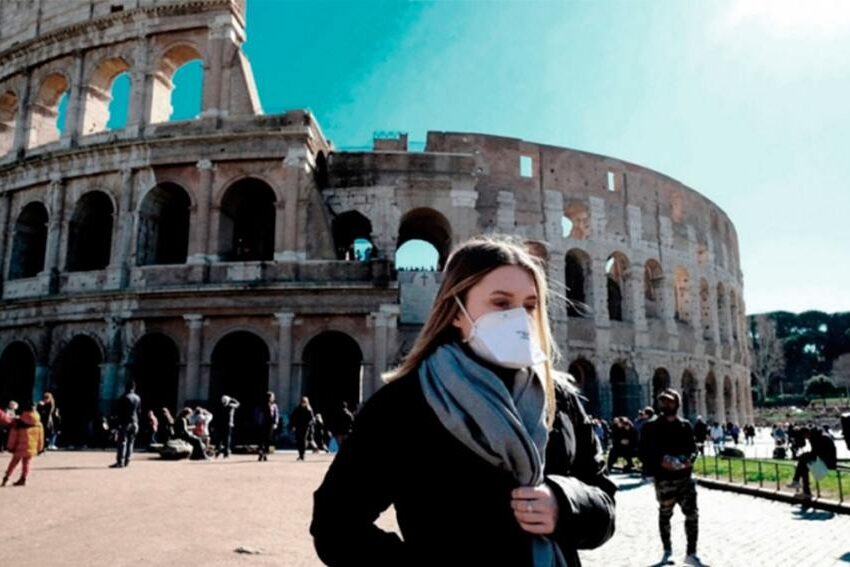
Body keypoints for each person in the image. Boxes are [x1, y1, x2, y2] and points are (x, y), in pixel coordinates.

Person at [310, 236, 616, 566]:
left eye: (529, 305)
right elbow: (335, 524)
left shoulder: (560, 399)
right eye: (501, 303)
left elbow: (603, 501)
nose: (519, 318)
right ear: (457, 312)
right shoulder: (402, 405)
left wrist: (564, 502)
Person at [639, 389, 703, 566]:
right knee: (665, 514)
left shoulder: (685, 425)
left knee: (692, 514)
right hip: (664, 479)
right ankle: (667, 551)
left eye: (670, 402)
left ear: (677, 404)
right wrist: (660, 461)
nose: (667, 405)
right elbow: (643, 451)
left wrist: (689, 460)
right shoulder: (651, 427)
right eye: (664, 402)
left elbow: (693, 448)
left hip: (685, 478)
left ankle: (691, 553)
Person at [786, 426, 837, 500]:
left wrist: (806, 455)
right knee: (804, 465)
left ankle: (798, 483)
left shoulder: (816, 437)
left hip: (828, 461)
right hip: (826, 458)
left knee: (803, 459)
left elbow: (816, 452)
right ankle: (805, 491)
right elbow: (817, 452)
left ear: (805, 434)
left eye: (805, 437)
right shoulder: (817, 434)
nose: (806, 439)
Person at [3, 404, 44, 487]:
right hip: (31, 447)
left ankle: (6, 478)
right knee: (27, 463)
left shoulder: (19, 423)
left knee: (13, 463)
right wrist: (40, 448)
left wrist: (10, 447)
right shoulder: (38, 424)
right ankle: (23, 479)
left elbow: (13, 436)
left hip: (19, 447)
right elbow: (41, 438)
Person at [110, 382, 141, 468]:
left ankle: (120, 461)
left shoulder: (124, 397)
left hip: (125, 422)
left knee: (122, 442)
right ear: (134, 388)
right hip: (135, 422)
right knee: (131, 442)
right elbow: (139, 411)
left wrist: (117, 423)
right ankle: (127, 461)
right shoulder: (138, 398)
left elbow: (120, 412)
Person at [256, 392, 279, 462]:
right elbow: (257, 413)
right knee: (261, 439)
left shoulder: (274, 405)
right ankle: (261, 453)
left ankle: (264, 453)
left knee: (268, 439)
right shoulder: (261, 405)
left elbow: (276, 415)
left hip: (270, 424)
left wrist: (276, 423)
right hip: (263, 423)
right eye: (272, 397)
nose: (273, 398)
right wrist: (258, 421)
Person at [290, 397, 315, 461]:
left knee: (303, 440)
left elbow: (312, 419)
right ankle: (300, 454)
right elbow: (293, 417)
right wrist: (293, 426)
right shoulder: (297, 409)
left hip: (306, 427)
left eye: (304, 402)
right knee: (298, 440)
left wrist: (309, 424)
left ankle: (303, 454)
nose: (303, 403)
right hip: (298, 427)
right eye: (302, 402)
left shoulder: (309, 410)